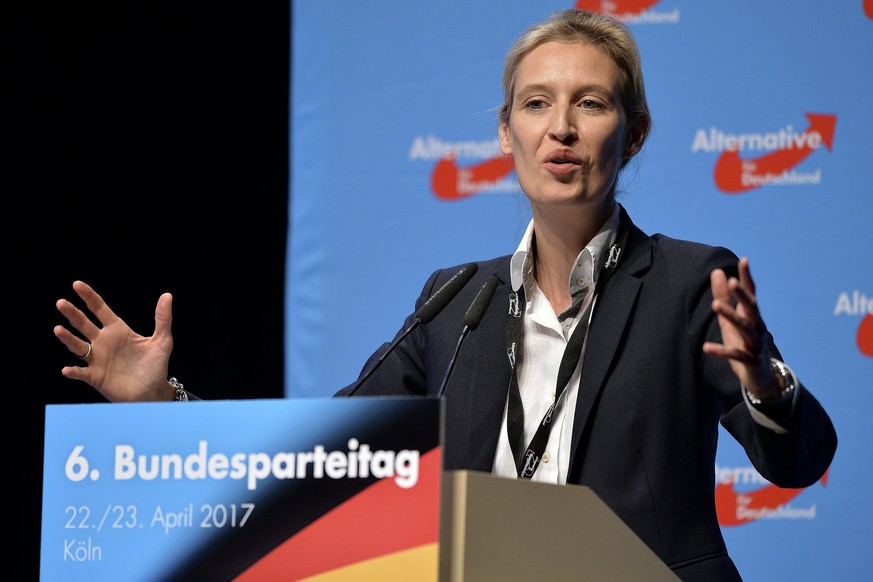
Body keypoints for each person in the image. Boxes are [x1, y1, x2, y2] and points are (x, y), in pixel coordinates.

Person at [54, 8, 836, 581]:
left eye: (590, 103)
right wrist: (166, 409)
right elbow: (321, 457)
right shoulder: (455, 300)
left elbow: (798, 463)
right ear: (505, 134)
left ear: (632, 133)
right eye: (535, 104)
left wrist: (764, 383)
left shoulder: (688, 283)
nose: (559, 127)